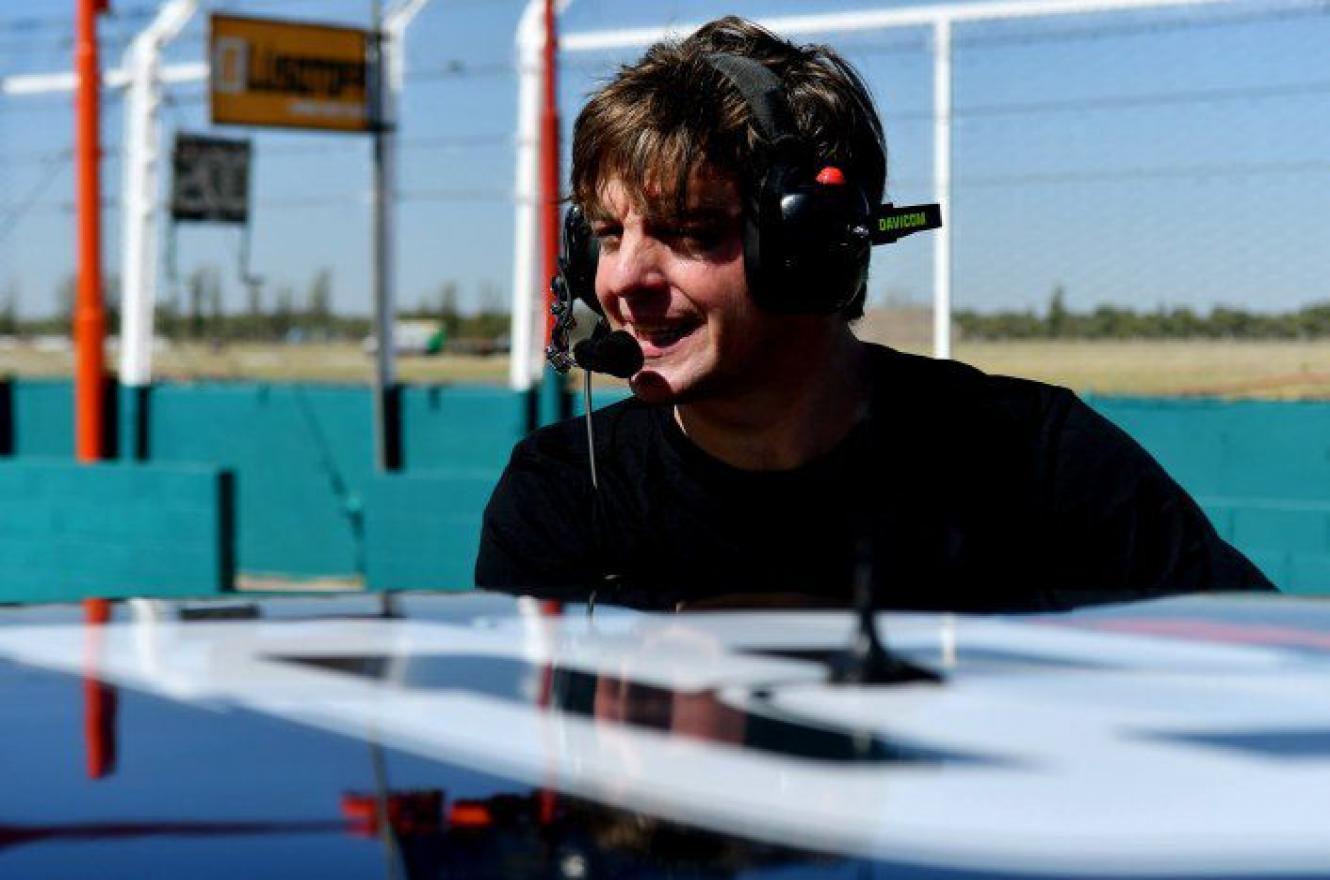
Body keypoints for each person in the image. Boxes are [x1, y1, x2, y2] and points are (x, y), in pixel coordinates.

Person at [475, 16, 1273, 611]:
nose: (625, 279)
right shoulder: (560, 494)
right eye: (610, 236)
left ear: (812, 245)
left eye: (691, 232)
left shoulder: (1038, 462)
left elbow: (1259, 678)